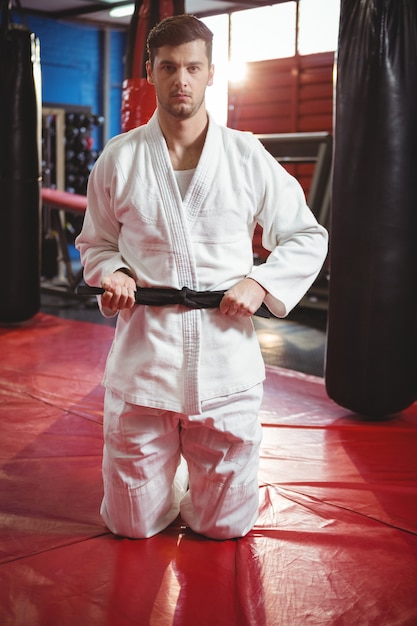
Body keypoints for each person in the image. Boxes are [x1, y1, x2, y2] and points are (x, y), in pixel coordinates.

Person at [75, 14, 328, 540]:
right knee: (130, 525)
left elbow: (307, 235)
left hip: (225, 367)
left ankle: (202, 479)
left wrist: (259, 283)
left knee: (225, 527)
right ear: (150, 71)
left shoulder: (245, 155)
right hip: (145, 364)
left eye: (193, 67)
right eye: (168, 67)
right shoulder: (119, 159)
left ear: (212, 72)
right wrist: (114, 271)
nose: (181, 80)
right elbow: (95, 242)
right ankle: (167, 475)